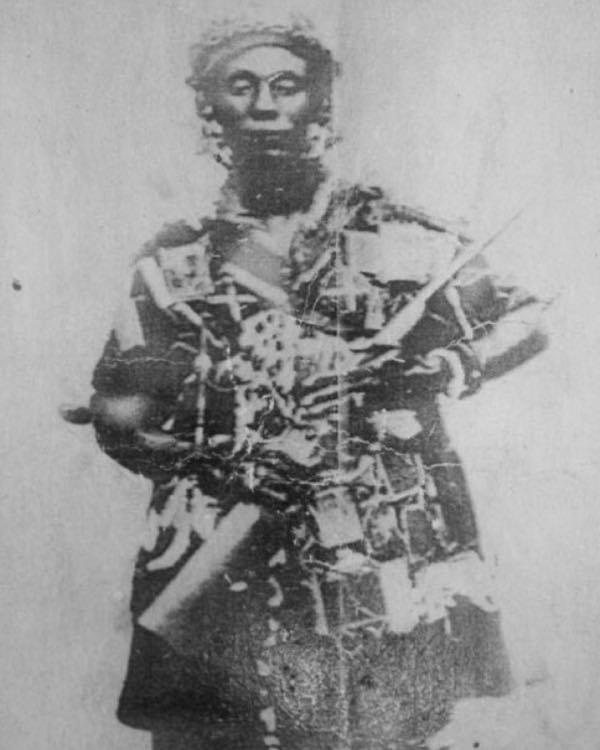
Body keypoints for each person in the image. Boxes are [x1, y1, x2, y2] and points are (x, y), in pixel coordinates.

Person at [85, 16, 548, 750]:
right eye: (242, 86)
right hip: (226, 550)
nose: (265, 105)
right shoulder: (174, 264)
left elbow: (524, 318)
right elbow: (119, 414)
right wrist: (231, 464)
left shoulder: (398, 234)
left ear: (320, 102)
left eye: (286, 84)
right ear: (211, 109)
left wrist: (434, 370)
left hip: (374, 551)